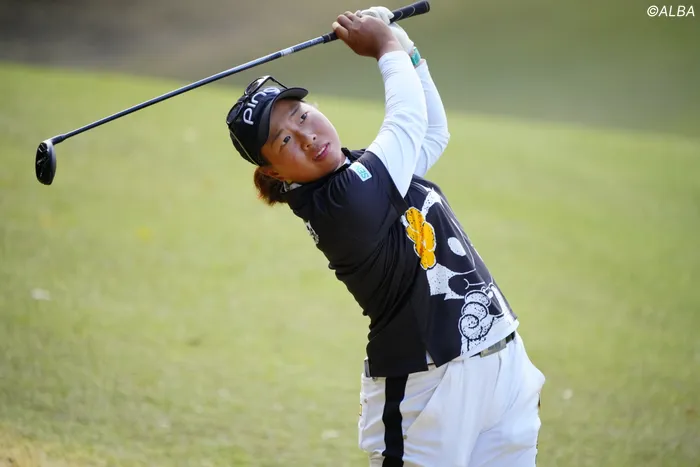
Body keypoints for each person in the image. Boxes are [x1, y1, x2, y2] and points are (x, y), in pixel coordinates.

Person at [225, 7, 546, 467]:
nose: (306, 135)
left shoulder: (360, 171)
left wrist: (408, 51)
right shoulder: (342, 201)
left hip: (499, 362)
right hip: (428, 384)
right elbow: (406, 122)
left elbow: (431, 134)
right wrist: (385, 47)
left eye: (301, 115)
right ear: (274, 172)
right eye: (285, 140)